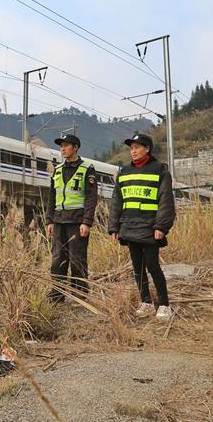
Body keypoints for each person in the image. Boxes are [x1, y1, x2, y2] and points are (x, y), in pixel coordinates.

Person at [108, 133, 176, 320]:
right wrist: (114, 227)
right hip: (129, 227)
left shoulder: (160, 170)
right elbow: (117, 200)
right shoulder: (124, 171)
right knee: (137, 266)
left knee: (153, 265)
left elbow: (165, 201)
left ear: (147, 149)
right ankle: (146, 302)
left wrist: (161, 226)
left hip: (150, 227)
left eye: (137, 147)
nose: (133, 151)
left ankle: (164, 305)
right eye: (131, 148)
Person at [45, 133, 98, 303]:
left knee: (77, 260)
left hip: (77, 222)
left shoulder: (86, 169)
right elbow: (52, 197)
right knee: (57, 260)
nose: (63, 148)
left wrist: (87, 222)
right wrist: (49, 220)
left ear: (75, 148)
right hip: (59, 221)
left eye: (67, 145)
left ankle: (80, 294)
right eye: (61, 146)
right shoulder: (58, 170)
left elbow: (91, 198)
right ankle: (57, 294)